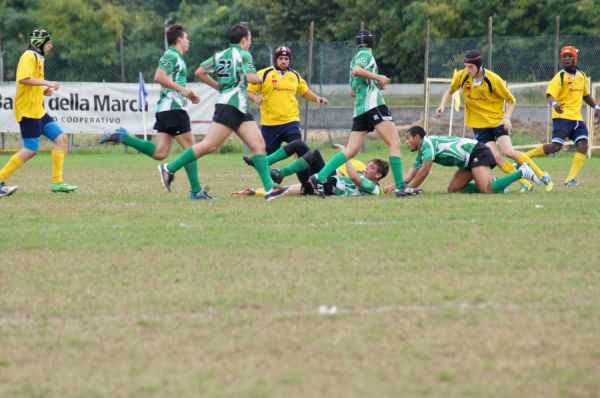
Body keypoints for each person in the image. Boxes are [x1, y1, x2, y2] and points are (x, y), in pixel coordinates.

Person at [157, 24, 288, 201]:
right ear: (243, 40)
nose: (249, 43)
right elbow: (251, 78)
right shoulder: (244, 54)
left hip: (238, 107)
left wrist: (219, 86)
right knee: (209, 145)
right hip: (231, 106)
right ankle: (169, 168)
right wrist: (258, 78)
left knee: (259, 146)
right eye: (249, 39)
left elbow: (200, 72)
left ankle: (269, 190)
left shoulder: (219, 55)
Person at [99, 24, 206, 200]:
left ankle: (123, 137)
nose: (188, 42)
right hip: (172, 109)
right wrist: (182, 90)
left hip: (166, 109)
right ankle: (196, 191)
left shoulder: (176, 57)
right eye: (186, 38)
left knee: (160, 153)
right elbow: (159, 76)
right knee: (191, 149)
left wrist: (188, 93)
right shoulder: (171, 55)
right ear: (179, 40)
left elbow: (171, 82)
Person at [307, 30, 407, 198]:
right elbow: (357, 70)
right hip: (373, 105)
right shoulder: (364, 54)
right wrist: (379, 78)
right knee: (395, 143)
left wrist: (375, 83)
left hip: (360, 109)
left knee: (352, 150)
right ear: (372, 44)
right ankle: (401, 187)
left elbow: (353, 91)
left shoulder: (355, 56)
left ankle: (320, 177)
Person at [436, 50, 553, 192]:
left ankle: (541, 175)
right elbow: (450, 91)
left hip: (497, 121)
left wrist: (507, 117)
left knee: (508, 151)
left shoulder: (493, 79)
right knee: (495, 158)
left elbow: (512, 100)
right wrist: (442, 104)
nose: (468, 70)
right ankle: (525, 182)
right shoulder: (462, 76)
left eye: (471, 67)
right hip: (479, 126)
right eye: (466, 66)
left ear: (479, 66)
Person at [0, 29, 77, 197]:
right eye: (48, 43)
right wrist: (47, 82)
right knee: (30, 149)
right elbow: (23, 79)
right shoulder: (29, 56)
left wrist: (44, 90)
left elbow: (30, 84)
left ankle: (57, 182)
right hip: (28, 110)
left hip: (38, 109)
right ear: (40, 43)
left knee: (60, 138)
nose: (51, 46)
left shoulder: (38, 58)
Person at [243, 45, 328, 186]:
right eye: (281, 58)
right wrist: (255, 98)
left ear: (290, 61)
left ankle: (304, 182)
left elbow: (304, 92)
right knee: (264, 156)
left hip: (291, 121)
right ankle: (271, 182)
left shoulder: (294, 76)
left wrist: (317, 98)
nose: (283, 61)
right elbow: (249, 91)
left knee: (298, 152)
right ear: (276, 59)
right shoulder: (264, 74)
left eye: (286, 59)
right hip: (270, 124)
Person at [525, 45, 600, 187]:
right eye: (564, 57)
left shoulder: (581, 76)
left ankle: (569, 180)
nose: (567, 59)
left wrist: (596, 107)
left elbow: (586, 95)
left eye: (570, 56)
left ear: (575, 58)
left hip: (577, 119)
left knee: (583, 146)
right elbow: (549, 95)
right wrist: (554, 105)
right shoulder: (560, 76)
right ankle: (523, 157)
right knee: (556, 147)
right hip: (562, 117)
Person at [398, 126, 538, 194]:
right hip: (468, 160)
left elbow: (424, 172)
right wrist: (397, 186)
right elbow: (410, 175)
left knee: (487, 190)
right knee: (453, 189)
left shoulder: (427, 145)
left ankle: (522, 171)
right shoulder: (422, 151)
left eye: (407, 138)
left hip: (478, 152)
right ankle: (497, 183)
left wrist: (409, 190)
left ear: (417, 138)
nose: (406, 142)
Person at [235, 141, 387, 197]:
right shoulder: (363, 172)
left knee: (314, 154)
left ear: (378, 175)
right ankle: (263, 163)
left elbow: (354, 179)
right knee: (299, 145)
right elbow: (291, 190)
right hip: (321, 182)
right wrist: (257, 191)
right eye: (368, 165)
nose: (367, 167)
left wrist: (346, 154)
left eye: (371, 167)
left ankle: (280, 173)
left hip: (330, 187)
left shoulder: (373, 187)